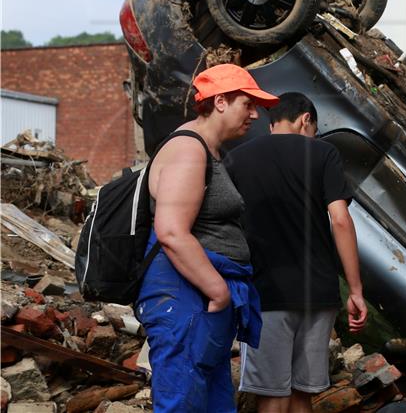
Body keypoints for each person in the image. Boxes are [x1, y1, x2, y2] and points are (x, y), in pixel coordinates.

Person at [135, 63, 279, 412]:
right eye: (248, 104)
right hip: (186, 297)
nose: (255, 115)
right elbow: (170, 231)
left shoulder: (209, 150)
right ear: (220, 102)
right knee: (182, 403)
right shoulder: (188, 150)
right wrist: (217, 290)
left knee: (211, 402)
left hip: (199, 299)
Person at [225, 91, 368, 413]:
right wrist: (355, 290)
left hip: (265, 293)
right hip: (317, 294)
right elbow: (341, 221)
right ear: (306, 120)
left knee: (271, 397)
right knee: (303, 395)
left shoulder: (238, 158)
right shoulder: (323, 153)